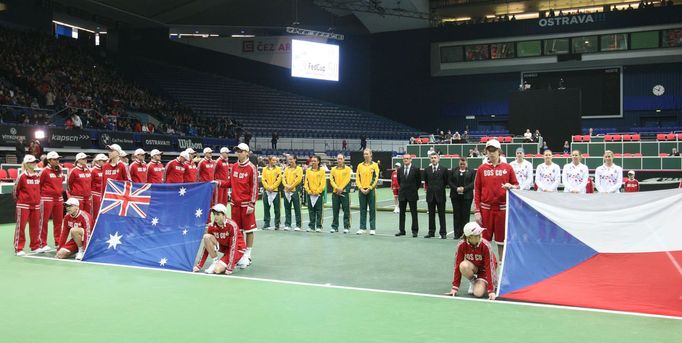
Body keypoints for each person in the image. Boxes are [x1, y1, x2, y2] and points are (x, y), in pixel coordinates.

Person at [474, 139, 518, 260]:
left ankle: (501, 268)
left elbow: (516, 185)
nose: (491, 153)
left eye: (494, 150)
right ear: (486, 152)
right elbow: (477, 190)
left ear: (499, 151)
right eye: (489, 150)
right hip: (485, 210)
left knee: (501, 242)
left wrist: (511, 186)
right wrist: (477, 211)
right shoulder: (481, 169)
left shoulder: (507, 168)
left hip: (502, 210)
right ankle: (485, 269)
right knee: (484, 242)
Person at [445, 222, 497, 300]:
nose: (480, 235)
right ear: (469, 237)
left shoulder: (486, 245)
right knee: (463, 265)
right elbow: (457, 265)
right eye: (476, 235)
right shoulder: (461, 245)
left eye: (480, 233)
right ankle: (474, 281)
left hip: (485, 270)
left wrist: (491, 290)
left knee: (478, 294)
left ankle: (493, 281)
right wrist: (455, 287)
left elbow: (489, 267)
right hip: (474, 267)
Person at [193, 204, 245, 275]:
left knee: (217, 270)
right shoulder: (212, 226)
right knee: (206, 237)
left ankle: (239, 259)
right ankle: (215, 261)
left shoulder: (232, 226)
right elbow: (206, 246)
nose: (215, 217)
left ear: (223, 215)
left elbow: (233, 247)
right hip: (224, 247)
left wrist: (230, 267)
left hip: (238, 249)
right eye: (214, 214)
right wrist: (199, 265)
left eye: (218, 214)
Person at [231, 143, 258, 268]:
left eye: (241, 151)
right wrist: (218, 183)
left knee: (249, 230)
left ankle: (248, 254)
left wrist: (252, 204)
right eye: (237, 151)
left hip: (246, 204)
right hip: (235, 204)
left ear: (247, 153)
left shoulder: (252, 168)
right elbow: (230, 183)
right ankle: (240, 253)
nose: (239, 153)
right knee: (238, 230)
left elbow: (254, 187)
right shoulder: (234, 166)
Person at [13, 155, 42, 255]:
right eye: (32, 162)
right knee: (21, 227)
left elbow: (40, 189)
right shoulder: (21, 176)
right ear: (26, 164)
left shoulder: (38, 175)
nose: (35, 164)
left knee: (35, 227)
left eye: (35, 162)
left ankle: (35, 246)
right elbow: (15, 191)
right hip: (23, 205)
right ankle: (19, 248)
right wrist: (21, 201)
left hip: (36, 205)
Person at [39, 151, 65, 252]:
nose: (57, 161)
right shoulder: (44, 171)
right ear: (49, 160)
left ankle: (58, 241)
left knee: (58, 222)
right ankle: (42, 243)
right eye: (55, 159)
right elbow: (39, 184)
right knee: (43, 221)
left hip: (59, 199)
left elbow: (60, 182)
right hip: (46, 199)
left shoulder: (60, 170)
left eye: (58, 159)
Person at [424, 152, 449, 239]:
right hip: (430, 196)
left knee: (441, 215)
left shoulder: (444, 169)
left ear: (438, 159)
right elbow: (426, 181)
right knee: (431, 215)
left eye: (435, 157)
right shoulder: (427, 170)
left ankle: (443, 232)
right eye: (432, 158)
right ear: (430, 159)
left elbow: (446, 181)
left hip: (440, 196)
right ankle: (431, 232)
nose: (433, 159)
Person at [356, 149, 380, 235]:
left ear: (371, 155)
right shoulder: (359, 166)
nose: (365, 155)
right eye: (364, 154)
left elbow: (376, 177)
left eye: (367, 154)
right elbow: (357, 178)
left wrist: (369, 188)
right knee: (362, 209)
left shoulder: (375, 165)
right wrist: (360, 188)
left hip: (371, 191)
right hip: (361, 190)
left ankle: (372, 228)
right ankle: (362, 228)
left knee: (372, 209)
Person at [449, 158, 475, 239]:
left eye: (464, 164)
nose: (462, 165)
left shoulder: (471, 171)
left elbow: (473, 183)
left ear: (466, 164)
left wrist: (464, 189)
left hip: (467, 197)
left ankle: (465, 234)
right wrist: (456, 188)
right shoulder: (453, 171)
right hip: (455, 196)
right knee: (456, 215)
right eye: (461, 164)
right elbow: (450, 182)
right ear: (459, 163)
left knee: (465, 216)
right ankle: (457, 234)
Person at [396, 154, 421, 237]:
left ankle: (415, 231)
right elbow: (399, 182)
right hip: (402, 194)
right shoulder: (399, 170)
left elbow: (418, 182)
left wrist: (413, 189)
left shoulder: (416, 169)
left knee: (414, 213)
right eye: (404, 159)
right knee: (401, 213)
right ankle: (402, 230)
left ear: (411, 160)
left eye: (407, 159)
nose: (406, 160)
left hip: (412, 194)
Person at [329, 154, 352, 233]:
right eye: (338, 159)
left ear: (344, 159)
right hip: (335, 193)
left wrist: (341, 188)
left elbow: (347, 179)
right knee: (335, 210)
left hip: (344, 193)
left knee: (346, 211)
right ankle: (335, 226)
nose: (339, 160)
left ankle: (346, 227)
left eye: (341, 159)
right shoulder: (333, 169)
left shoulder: (348, 169)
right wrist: (337, 188)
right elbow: (331, 180)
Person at [304, 155, 325, 232]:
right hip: (310, 194)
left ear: (318, 162)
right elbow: (306, 182)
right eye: (312, 161)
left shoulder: (322, 171)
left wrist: (318, 191)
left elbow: (323, 183)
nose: (313, 162)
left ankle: (319, 226)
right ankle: (311, 226)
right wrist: (309, 191)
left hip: (318, 194)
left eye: (314, 161)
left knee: (319, 211)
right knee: (311, 210)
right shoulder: (308, 171)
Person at [282, 155, 303, 231]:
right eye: (289, 159)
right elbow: (283, 178)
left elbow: (298, 179)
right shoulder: (286, 169)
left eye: (291, 159)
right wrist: (286, 186)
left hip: (295, 191)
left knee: (297, 208)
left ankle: (298, 225)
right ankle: (287, 224)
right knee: (287, 208)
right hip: (286, 191)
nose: (290, 161)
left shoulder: (299, 169)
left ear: (295, 159)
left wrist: (291, 186)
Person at [261, 156, 283, 230]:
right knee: (266, 208)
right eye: (273, 160)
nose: (274, 161)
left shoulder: (278, 169)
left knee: (277, 209)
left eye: (275, 160)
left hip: (276, 191)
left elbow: (279, 179)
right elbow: (263, 179)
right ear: (269, 160)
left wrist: (273, 187)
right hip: (267, 191)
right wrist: (267, 187)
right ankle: (266, 223)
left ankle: (277, 224)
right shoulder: (264, 169)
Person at [90, 154, 107, 219]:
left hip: (103, 194)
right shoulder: (93, 170)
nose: (105, 162)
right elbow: (90, 183)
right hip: (95, 194)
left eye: (105, 161)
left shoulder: (105, 169)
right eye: (103, 161)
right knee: (95, 213)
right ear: (98, 161)